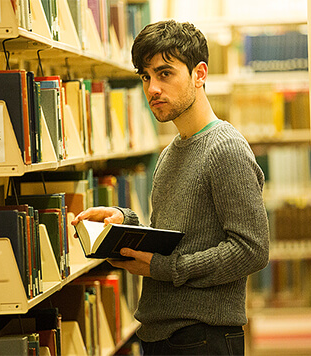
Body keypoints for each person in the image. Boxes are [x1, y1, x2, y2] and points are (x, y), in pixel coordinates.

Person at [72, 20, 269, 355]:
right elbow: (178, 236)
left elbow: (252, 249)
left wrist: (165, 269)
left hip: (202, 338)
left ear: (199, 74)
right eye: (146, 76)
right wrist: (124, 221)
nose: (152, 88)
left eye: (165, 73)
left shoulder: (225, 148)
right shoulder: (170, 154)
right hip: (160, 335)